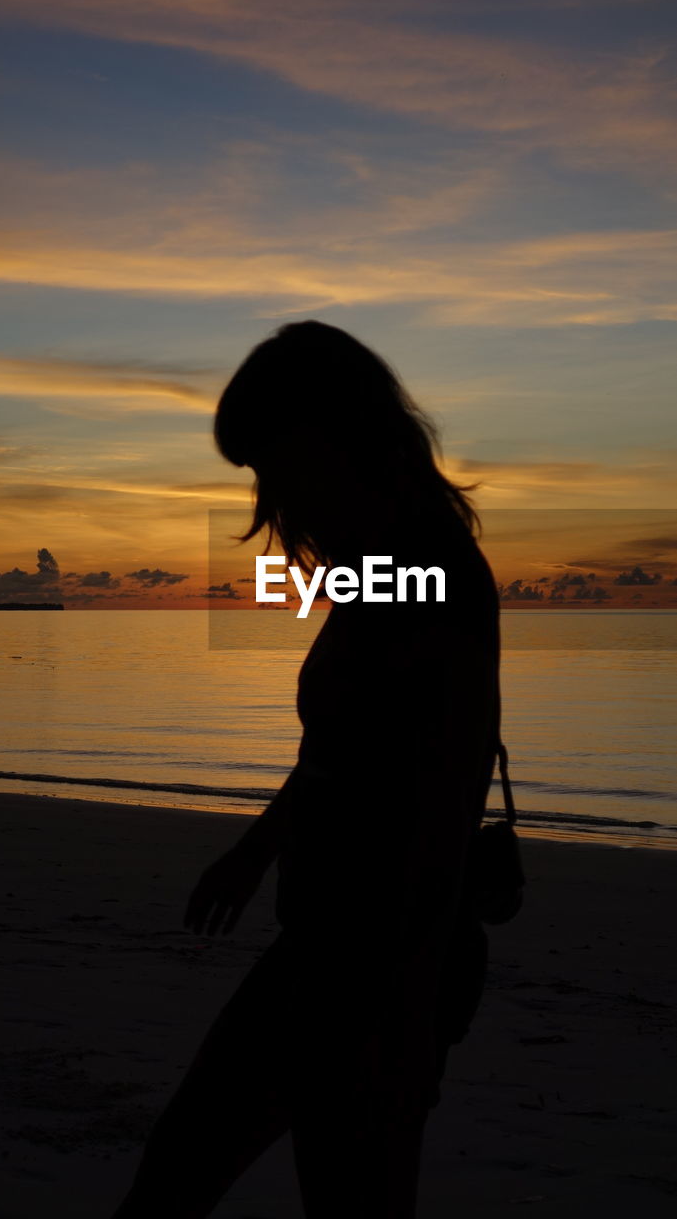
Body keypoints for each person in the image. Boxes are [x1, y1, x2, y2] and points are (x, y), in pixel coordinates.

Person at [111, 321, 500, 1219]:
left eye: (267, 461)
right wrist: (255, 852)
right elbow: (338, 749)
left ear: (331, 437)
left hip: (374, 965)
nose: (265, 492)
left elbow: (448, 786)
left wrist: (402, 994)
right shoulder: (378, 572)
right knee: (182, 1175)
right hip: (326, 945)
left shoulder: (429, 573)